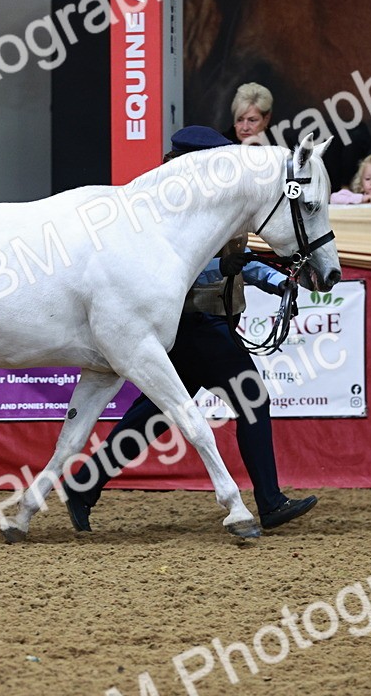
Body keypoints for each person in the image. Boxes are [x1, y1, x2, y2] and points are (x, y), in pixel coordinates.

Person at [62, 125, 318, 533]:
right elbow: (173, 271)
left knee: (153, 415)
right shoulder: (164, 210)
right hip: (195, 323)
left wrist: (275, 280)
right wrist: (223, 268)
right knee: (252, 399)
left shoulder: (215, 206)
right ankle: (269, 501)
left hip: (205, 323)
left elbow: (241, 257)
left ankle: (83, 487)